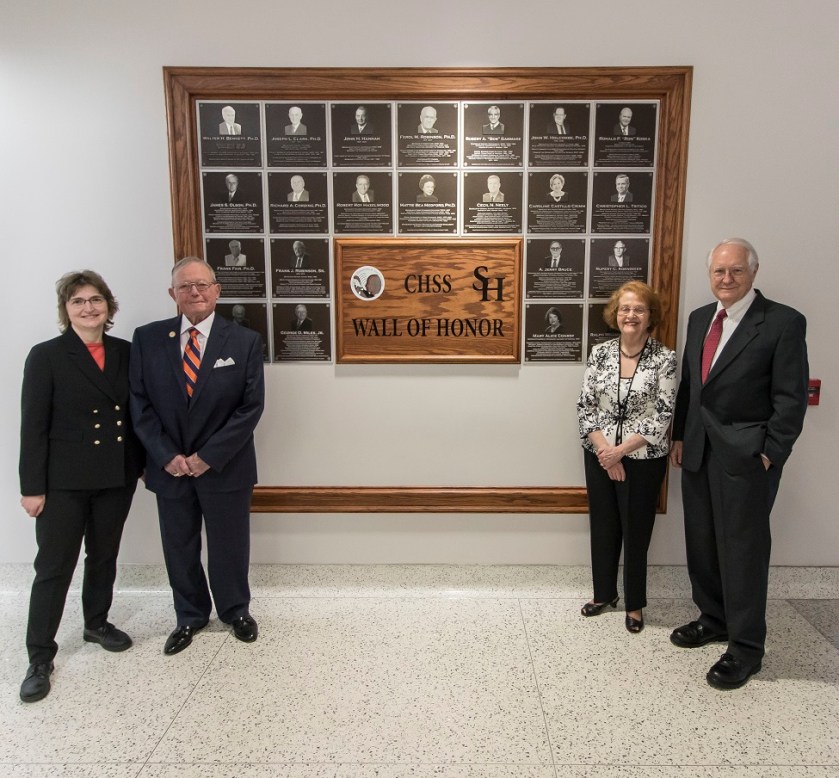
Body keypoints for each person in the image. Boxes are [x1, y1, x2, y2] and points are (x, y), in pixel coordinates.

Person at [669, 238, 808, 690]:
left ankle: (746, 648)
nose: (726, 279)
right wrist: (679, 436)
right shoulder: (698, 319)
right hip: (699, 452)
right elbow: (693, 386)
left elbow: (790, 398)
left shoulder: (782, 322)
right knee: (703, 543)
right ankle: (714, 619)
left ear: (753, 272)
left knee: (744, 552)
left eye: (735, 271)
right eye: (718, 272)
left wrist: (771, 451)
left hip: (747, 458)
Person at [18, 271, 144, 703]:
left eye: (95, 300)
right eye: (77, 302)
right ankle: (39, 656)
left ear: (108, 306)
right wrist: (32, 487)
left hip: (116, 475)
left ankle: (96, 623)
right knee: (54, 567)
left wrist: (144, 466)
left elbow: (139, 415)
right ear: (65, 310)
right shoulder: (47, 356)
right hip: (63, 482)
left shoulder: (127, 353)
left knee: (104, 555)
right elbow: (32, 427)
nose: (88, 308)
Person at [129, 258, 265, 655]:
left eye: (202, 285)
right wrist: (166, 455)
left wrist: (208, 455)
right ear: (173, 294)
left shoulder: (244, 341)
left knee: (230, 545)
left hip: (225, 467)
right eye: (185, 287)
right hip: (169, 468)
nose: (195, 292)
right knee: (179, 546)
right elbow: (139, 404)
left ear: (217, 291)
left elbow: (250, 407)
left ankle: (235, 611)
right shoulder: (148, 339)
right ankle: (189, 615)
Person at [577, 281, 677, 634]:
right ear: (615, 315)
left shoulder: (664, 359)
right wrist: (606, 452)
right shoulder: (600, 354)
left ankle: (634, 605)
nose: (630, 315)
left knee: (636, 533)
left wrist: (620, 451)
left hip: (643, 460)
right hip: (599, 454)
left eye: (638, 309)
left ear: (651, 317)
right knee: (603, 527)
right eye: (624, 309)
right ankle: (604, 594)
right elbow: (585, 406)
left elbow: (661, 415)